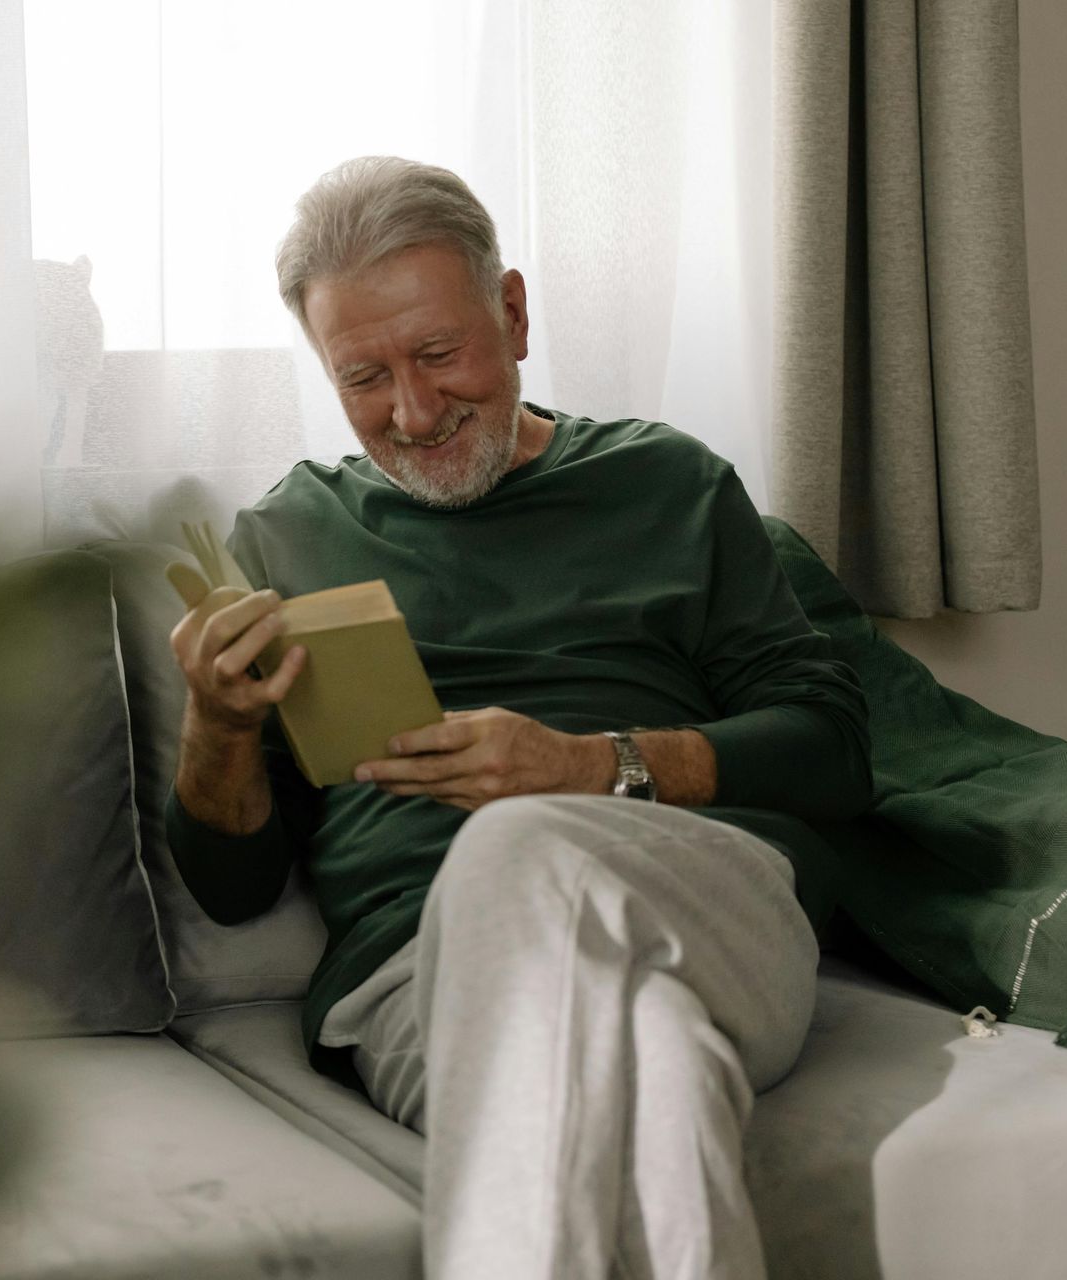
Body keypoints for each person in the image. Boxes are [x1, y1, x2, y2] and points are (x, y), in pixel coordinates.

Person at [164, 155, 873, 1280]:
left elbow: (835, 754)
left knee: (521, 835)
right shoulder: (287, 536)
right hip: (417, 978)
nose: (411, 409)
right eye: (362, 375)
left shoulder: (668, 482)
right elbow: (233, 886)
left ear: (513, 311)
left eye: (439, 354)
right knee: (661, 1069)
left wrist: (590, 767)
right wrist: (217, 723)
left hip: (704, 907)